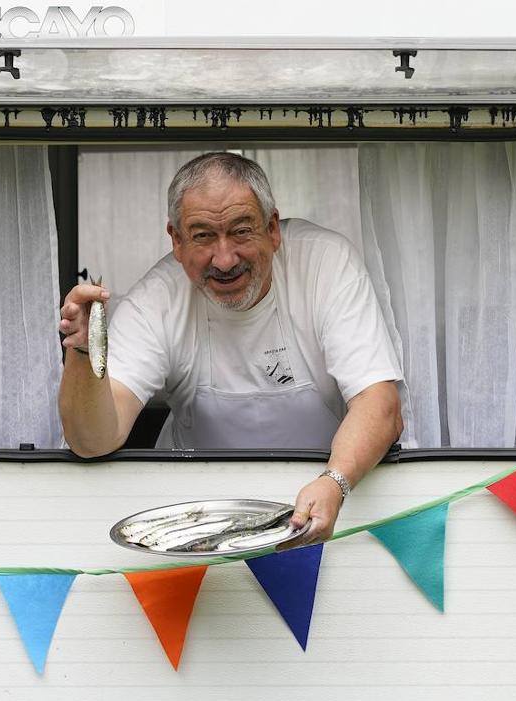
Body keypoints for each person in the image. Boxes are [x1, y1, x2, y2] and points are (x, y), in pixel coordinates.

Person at [58, 152, 403, 547]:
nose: (223, 259)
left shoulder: (325, 263)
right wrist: (83, 353)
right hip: (196, 521)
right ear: (176, 240)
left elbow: (380, 404)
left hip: (324, 502)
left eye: (241, 232)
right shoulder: (157, 299)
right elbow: (93, 440)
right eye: (203, 235)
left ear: (272, 229)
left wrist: (335, 481)